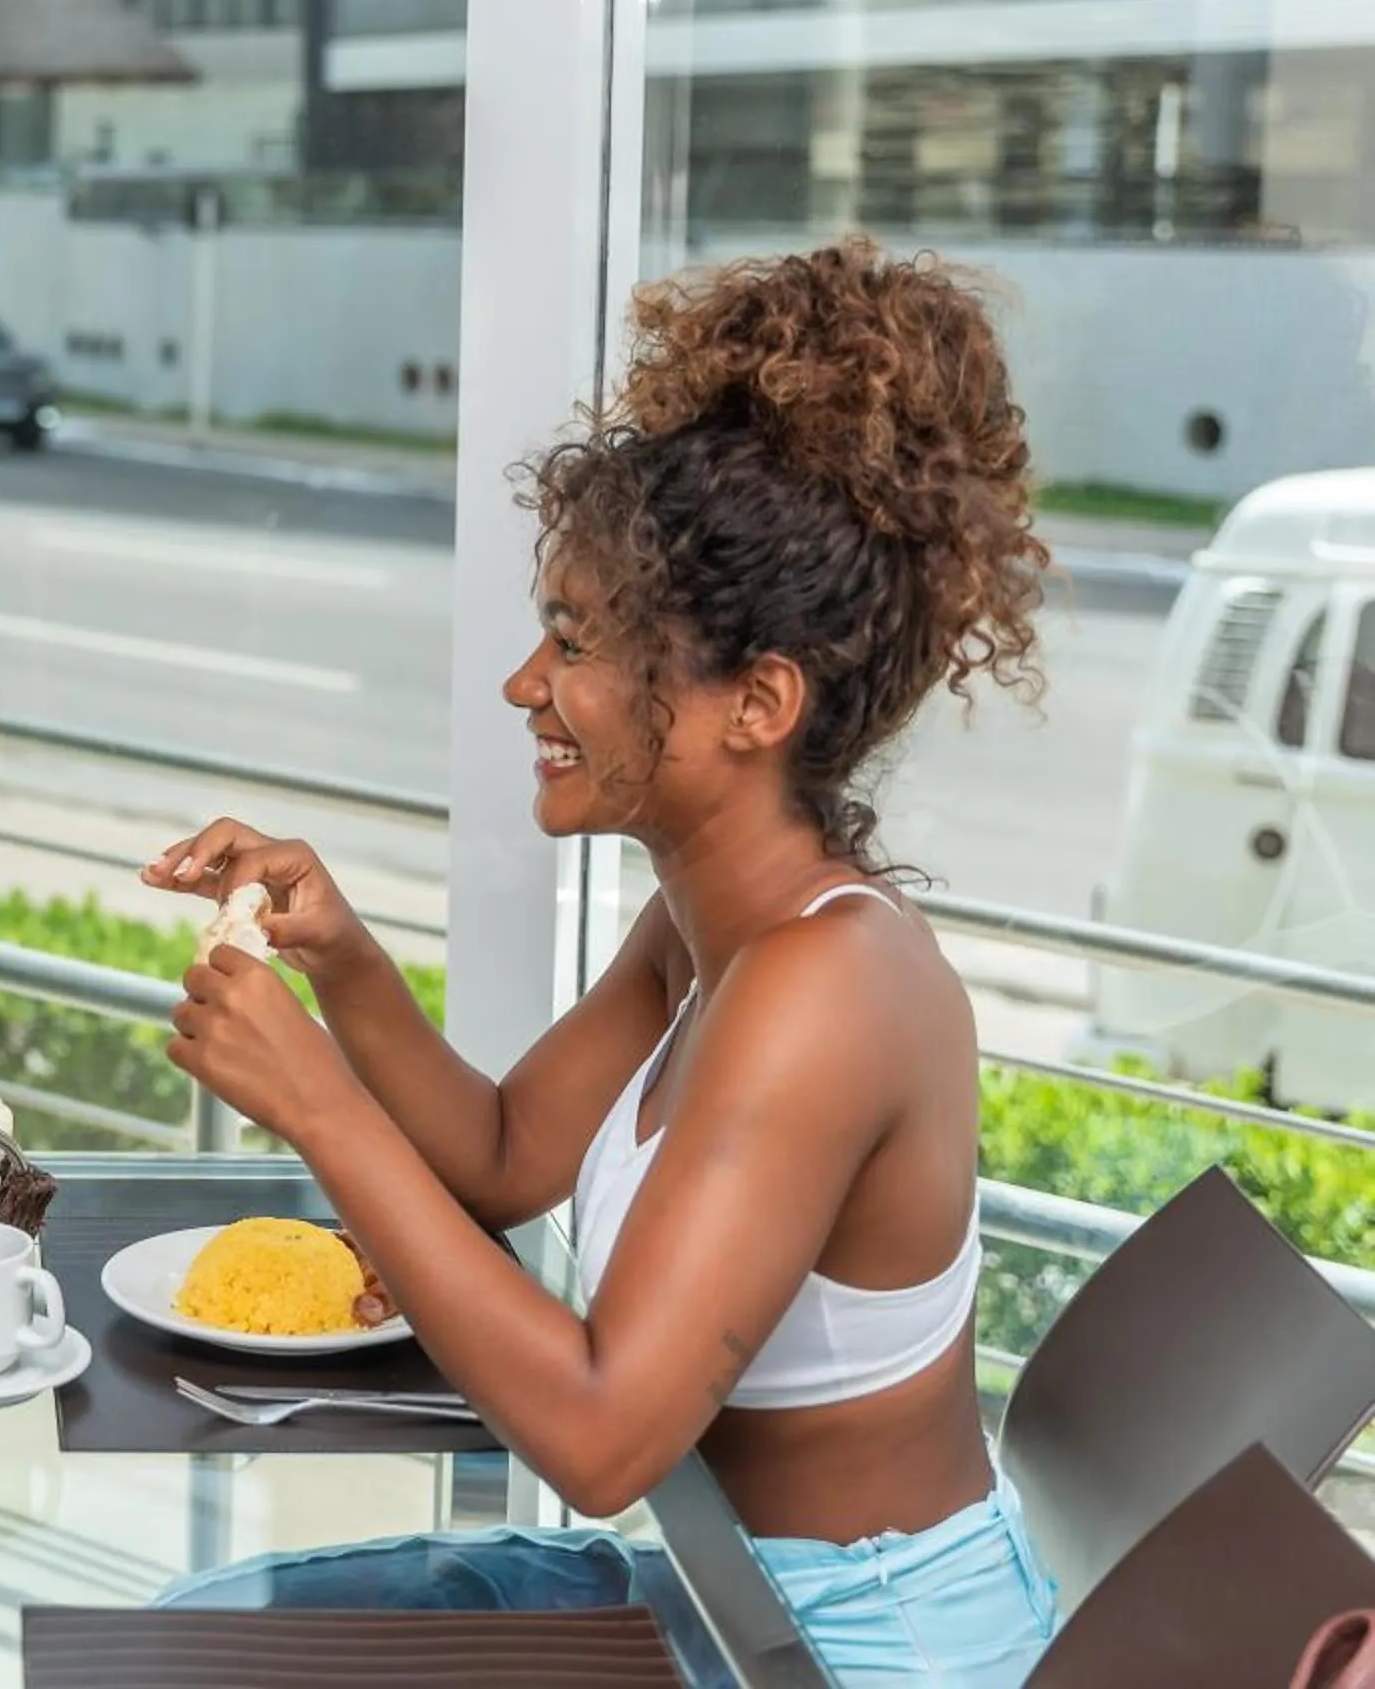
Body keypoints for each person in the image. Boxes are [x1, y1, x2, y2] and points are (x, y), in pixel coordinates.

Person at [145, 241, 1058, 1686]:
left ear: (754, 702)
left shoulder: (825, 993)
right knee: (189, 1644)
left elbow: (599, 1430)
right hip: (723, 1592)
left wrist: (316, 1103)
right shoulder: (711, 926)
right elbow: (508, 1153)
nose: (526, 683)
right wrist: (348, 962)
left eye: (572, 641)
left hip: (843, 1653)